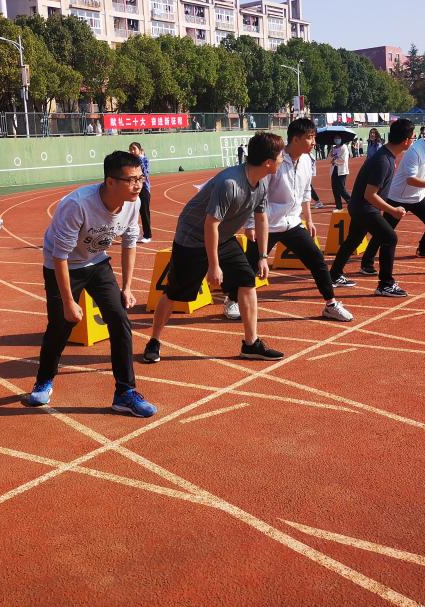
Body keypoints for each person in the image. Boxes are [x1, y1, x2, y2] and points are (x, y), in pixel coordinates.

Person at [24, 151, 155, 417]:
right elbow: (59, 255)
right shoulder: (78, 205)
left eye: (140, 179)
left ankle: (125, 392)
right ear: (110, 181)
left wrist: (127, 287)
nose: (138, 185)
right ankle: (44, 380)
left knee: (120, 319)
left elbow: (130, 242)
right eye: (131, 180)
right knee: (61, 325)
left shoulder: (134, 203)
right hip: (62, 265)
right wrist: (69, 303)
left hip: (96, 261)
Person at [143, 132, 285, 364]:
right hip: (192, 238)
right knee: (175, 293)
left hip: (223, 237)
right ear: (268, 162)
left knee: (246, 280)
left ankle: (251, 344)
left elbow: (261, 218)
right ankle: (154, 340)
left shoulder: (262, 183)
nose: (282, 160)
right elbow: (211, 224)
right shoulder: (230, 183)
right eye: (280, 156)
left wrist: (262, 256)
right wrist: (214, 265)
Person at [223, 119, 354, 323]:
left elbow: (306, 191)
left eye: (314, 137)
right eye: (310, 137)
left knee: (317, 260)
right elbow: (255, 192)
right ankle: (232, 299)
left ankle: (331, 304)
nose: (314, 142)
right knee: (249, 266)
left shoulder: (308, 160)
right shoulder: (274, 159)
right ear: (295, 139)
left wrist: (309, 219)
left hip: (292, 223)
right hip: (266, 224)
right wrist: (250, 224)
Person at [360, 119, 425, 276]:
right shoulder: (415, 151)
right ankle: (367, 263)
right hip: (398, 197)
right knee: (385, 231)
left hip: (418, 197)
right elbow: (411, 179)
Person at [328, 119, 414, 297]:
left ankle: (334, 275)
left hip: (360, 206)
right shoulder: (383, 160)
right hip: (365, 207)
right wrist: (392, 210)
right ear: (406, 141)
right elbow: (370, 194)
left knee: (353, 240)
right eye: (412, 137)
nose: (413, 140)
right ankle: (385, 284)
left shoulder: (386, 156)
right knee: (389, 238)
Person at [128, 141, 153, 243]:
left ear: (140, 150)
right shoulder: (130, 161)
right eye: (130, 150)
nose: (132, 151)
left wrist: (140, 159)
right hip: (132, 188)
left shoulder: (144, 159)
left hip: (144, 189)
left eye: (134, 149)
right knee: (132, 211)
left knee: (144, 212)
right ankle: (135, 233)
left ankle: (147, 235)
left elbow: (145, 174)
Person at [329, 136, 351, 209]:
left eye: (338, 138)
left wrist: (334, 160)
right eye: (335, 138)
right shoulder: (333, 148)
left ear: (341, 139)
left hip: (342, 171)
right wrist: (332, 156)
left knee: (341, 189)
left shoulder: (344, 147)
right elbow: (329, 158)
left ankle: (351, 203)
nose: (336, 139)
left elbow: (343, 160)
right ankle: (338, 206)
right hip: (334, 170)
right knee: (335, 189)